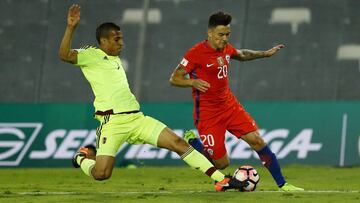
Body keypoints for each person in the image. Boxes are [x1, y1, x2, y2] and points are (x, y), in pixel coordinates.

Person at [58, 4, 246, 192]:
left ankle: (221, 180)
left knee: (178, 143)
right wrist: (71, 27)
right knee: (101, 174)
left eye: (121, 38)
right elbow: (64, 55)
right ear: (104, 41)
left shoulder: (114, 58)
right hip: (112, 122)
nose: (121, 43)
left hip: (137, 119)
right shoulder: (91, 55)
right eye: (117, 39)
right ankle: (81, 157)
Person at [169, 11, 304, 191]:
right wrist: (192, 81)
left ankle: (283, 184)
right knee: (221, 164)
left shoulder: (225, 48)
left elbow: (241, 54)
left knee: (257, 140)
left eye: (227, 35)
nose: (224, 39)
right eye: (220, 35)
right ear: (209, 33)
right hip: (208, 114)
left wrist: (264, 54)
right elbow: (174, 78)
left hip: (229, 105)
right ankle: (194, 144)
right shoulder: (195, 53)